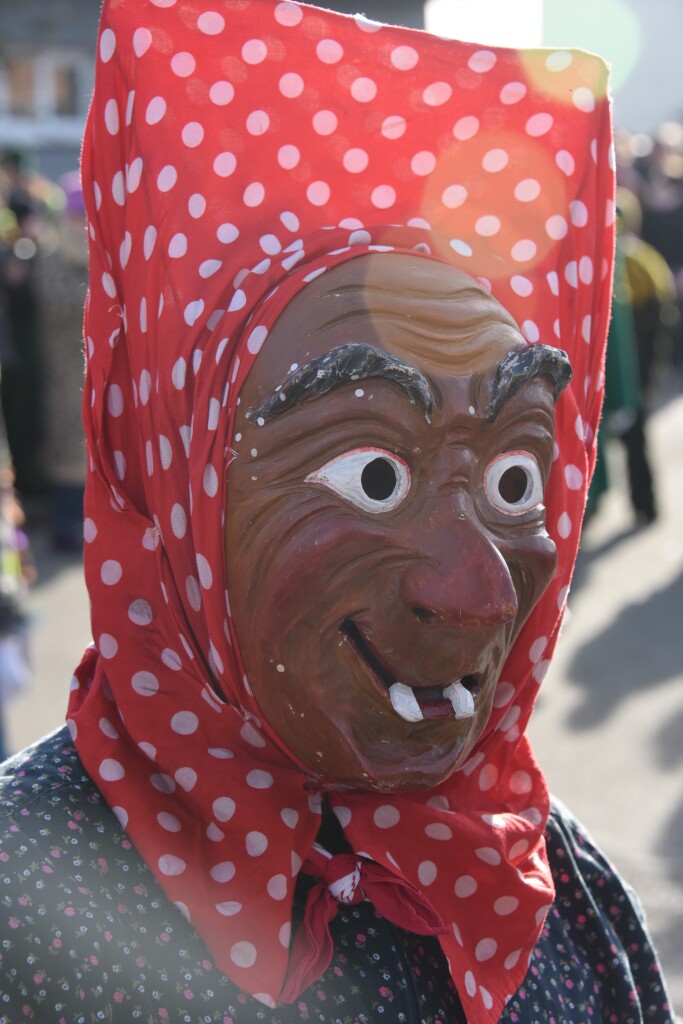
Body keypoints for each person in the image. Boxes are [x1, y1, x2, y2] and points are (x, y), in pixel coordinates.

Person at [0, 1, 675, 1022]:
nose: (480, 589)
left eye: (513, 482)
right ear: (189, 494)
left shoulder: (541, 884)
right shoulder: (28, 897)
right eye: (370, 476)